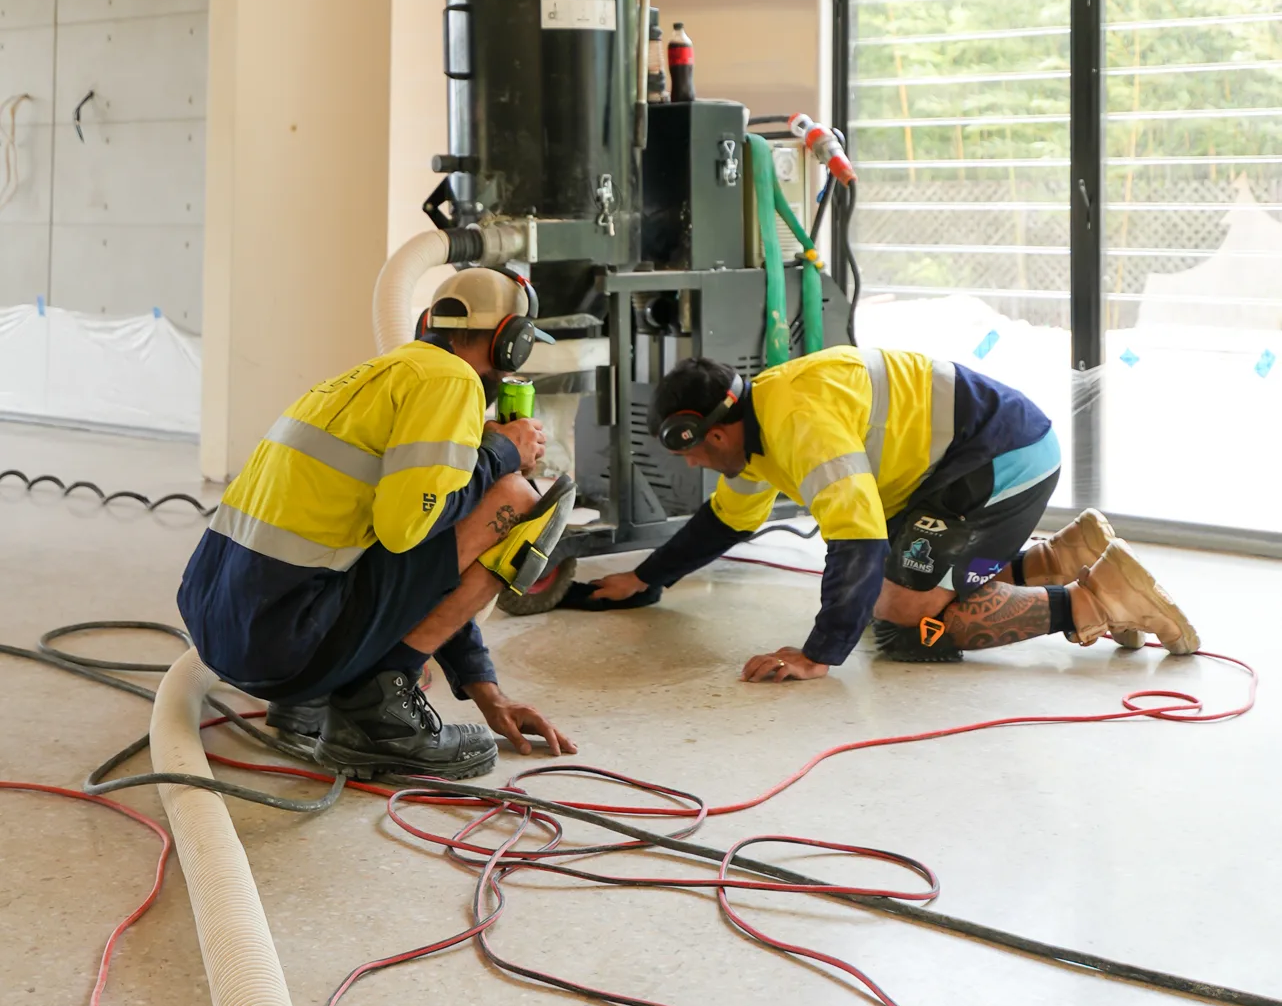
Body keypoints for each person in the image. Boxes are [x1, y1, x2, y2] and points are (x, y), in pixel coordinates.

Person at [580, 347, 1198, 680]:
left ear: (711, 432)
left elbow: (858, 537)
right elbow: (728, 520)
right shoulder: (760, 426)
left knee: (903, 617)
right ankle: (1053, 559)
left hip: (1001, 458)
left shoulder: (797, 425)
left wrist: (819, 654)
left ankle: (1096, 600)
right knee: (891, 604)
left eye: (691, 453)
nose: (693, 465)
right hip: (963, 465)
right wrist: (646, 577)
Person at [177, 268, 577, 780]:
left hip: (234, 630)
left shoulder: (377, 374)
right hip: (284, 644)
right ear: (510, 342)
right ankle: (379, 715)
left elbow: (424, 566)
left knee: (451, 508)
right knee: (518, 497)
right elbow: (409, 531)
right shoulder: (451, 381)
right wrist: (502, 453)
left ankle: (318, 697)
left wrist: (487, 692)